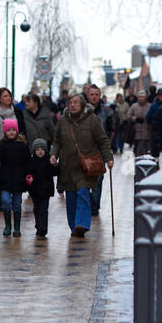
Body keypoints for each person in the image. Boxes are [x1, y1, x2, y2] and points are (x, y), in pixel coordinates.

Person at [51, 92, 113, 238]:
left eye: (76, 102)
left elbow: (102, 140)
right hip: (67, 166)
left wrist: (109, 158)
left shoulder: (92, 119)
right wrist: (53, 155)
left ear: (82, 104)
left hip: (85, 165)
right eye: (70, 102)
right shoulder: (63, 120)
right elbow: (57, 141)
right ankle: (74, 226)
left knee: (83, 192)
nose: (72, 105)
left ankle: (82, 224)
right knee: (71, 197)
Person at [0, 117, 31, 237]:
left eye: (14, 130)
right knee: (5, 201)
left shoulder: (23, 145)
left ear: (17, 131)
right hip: (5, 177)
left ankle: (17, 227)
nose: (12, 132)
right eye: (9, 130)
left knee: (17, 204)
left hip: (19, 178)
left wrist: (28, 174)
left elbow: (28, 161)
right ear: (5, 132)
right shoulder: (0, 145)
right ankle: (8, 225)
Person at [84, 84, 116, 215]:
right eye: (92, 94)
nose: (94, 97)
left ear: (100, 96)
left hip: (99, 150)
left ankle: (94, 206)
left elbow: (112, 129)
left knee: (98, 179)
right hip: (84, 150)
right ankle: (87, 203)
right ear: (87, 95)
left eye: (96, 94)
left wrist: (107, 145)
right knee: (84, 178)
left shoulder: (107, 111)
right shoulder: (82, 111)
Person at [26, 139, 56, 238]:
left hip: (46, 190)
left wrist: (55, 165)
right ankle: (38, 225)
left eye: (42, 149)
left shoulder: (48, 161)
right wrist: (28, 179)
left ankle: (43, 228)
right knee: (36, 209)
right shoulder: (31, 162)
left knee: (44, 209)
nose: (40, 151)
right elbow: (28, 173)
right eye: (37, 149)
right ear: (34, 151)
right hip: (34, 190)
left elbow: (55, 172)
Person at [125, 89, 152, 155]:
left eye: (142, 97)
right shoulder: (134, 106)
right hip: (135, 133)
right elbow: (128, 115)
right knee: (137, 151)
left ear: (146, 98)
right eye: (139, 97)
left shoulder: (150, 106)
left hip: (146, 133)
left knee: (142, 151)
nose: (141, 98)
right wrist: (135, 119)